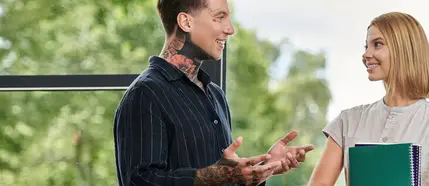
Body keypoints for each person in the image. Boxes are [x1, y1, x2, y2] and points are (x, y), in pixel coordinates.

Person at [113, 0, 315, 185]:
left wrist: (259, 170)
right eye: (219, 18)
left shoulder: (215, 95)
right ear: (186, 22)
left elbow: (222, 176)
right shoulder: (145, 94)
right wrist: (218, 175)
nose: (230, 29)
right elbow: (139, 181)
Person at [308, 12, 429, 186]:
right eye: (366, 46)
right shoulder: (347, 121)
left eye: (377, 44)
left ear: (403, 49)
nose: (366, 54)